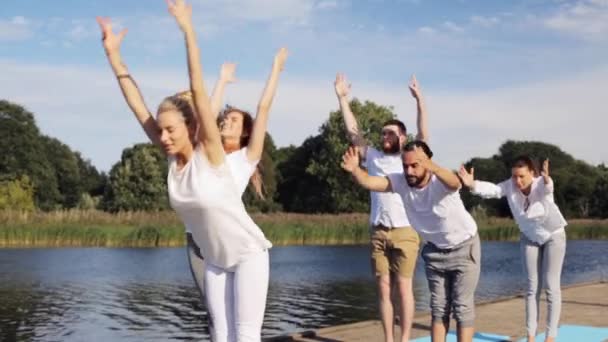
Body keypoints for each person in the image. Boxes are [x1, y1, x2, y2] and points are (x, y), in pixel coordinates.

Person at [96, 0, 286, 339]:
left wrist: (187, 30)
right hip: (214, 260)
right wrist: (113, 57)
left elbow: (198, 88)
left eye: (171, 130)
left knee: (244, 335)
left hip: (247, 255)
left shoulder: (210, 152)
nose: (163, 137)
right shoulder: (172, 158)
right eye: (161, 131)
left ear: (190, 127)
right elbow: (136, 103)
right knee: (220, 335)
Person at [341, 141, 480, 342]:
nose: (409, 171)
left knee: (462, 307)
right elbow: (371, 182)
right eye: (405, 166)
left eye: (415, 165)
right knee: (439, 308)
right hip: (434, 251)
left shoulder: (440, 182)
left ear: (427, 163)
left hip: (464, 247)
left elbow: (455, 183)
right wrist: (355, 170)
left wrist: (434, 167)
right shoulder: (400, 182)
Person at [333, 73, 428, 342]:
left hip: (406, 231)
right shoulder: (373, 156)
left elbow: (424, 132)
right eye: (383, 132)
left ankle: (405, 338)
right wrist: (342, 99)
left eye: (390, 132)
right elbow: (354, 133)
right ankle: (389, 339)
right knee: (384, 290)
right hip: (378, 231)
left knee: (404, 288)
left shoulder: (410, 158)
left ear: (402, 136)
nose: (385, 136)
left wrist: (420, 101)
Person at [459, 157, 567, 342]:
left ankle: (550, 336)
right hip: (529, 237)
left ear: (532, 173)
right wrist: (472, 185)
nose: (518, 181)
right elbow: (494, 190)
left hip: (553, 235)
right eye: (514, 176)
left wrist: (548, 179)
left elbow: (549, 188)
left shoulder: (541, 183)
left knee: (551, 286)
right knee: (531, 288)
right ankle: (531, 336)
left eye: (522, 176)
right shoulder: (510, 186)